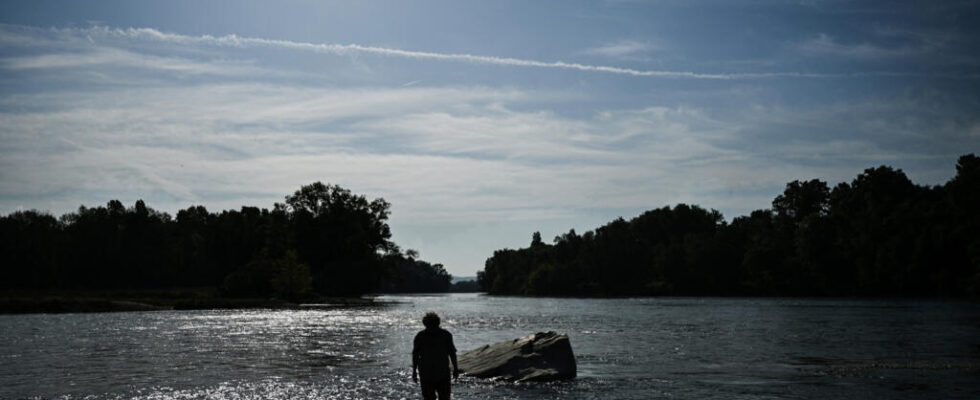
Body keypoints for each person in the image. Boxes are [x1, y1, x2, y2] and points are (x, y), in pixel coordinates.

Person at [412, 312, 459, 400]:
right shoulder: (446, 335)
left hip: (426, 373)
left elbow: (415, 355)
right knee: (444, 397)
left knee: (429, 397)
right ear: (438, 323)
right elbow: (452, 353)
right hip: (442, 372)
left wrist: (414, 371)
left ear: (425, 324)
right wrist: (455, 368)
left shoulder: (420, 336)